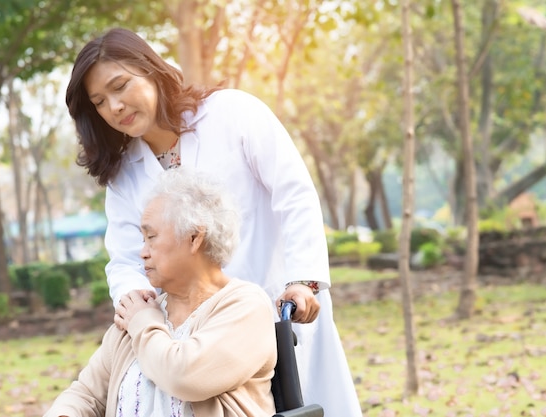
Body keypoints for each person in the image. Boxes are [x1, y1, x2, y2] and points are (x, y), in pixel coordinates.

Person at [66, 27, 362, 416]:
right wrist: (136, 304)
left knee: (307, 400)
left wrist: (303, 280)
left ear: (150, 69)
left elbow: (294, 194)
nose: (115, 107)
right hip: (197, 334)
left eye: (120, 86)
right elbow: (124, 261)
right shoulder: (123, 174)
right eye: (100, 102)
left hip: (276, 306)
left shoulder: (232, 113)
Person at [44, 168, 277, 417]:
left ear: (194, 237)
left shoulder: (246, 306)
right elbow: (86, 393)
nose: (142, 252)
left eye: (151, 237)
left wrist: (143, 323)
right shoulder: (140, 310)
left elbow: (184, 376)